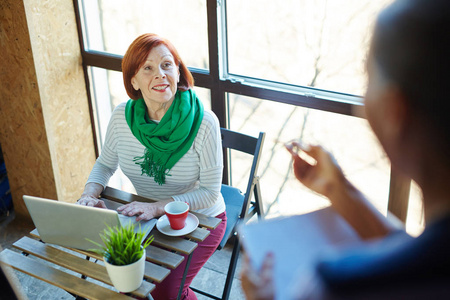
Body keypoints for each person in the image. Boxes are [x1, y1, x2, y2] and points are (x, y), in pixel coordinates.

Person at [241, 0, 450, 299]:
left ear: (395, 113)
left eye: (369, 78)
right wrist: (339, 189)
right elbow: (423, 254)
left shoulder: (336, 286)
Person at [78, 33, 227, 300]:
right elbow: (105, 164)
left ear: (178, 72)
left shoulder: (205, 123)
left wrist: (156, 207)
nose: (160, 74)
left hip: (202, 219)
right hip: (147, 219)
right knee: (126, 281)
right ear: (133, 80)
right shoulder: (121, 117)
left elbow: (209, 194)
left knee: (168, 293)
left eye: (167, 65)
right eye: (148, 68)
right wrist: (89, 194)